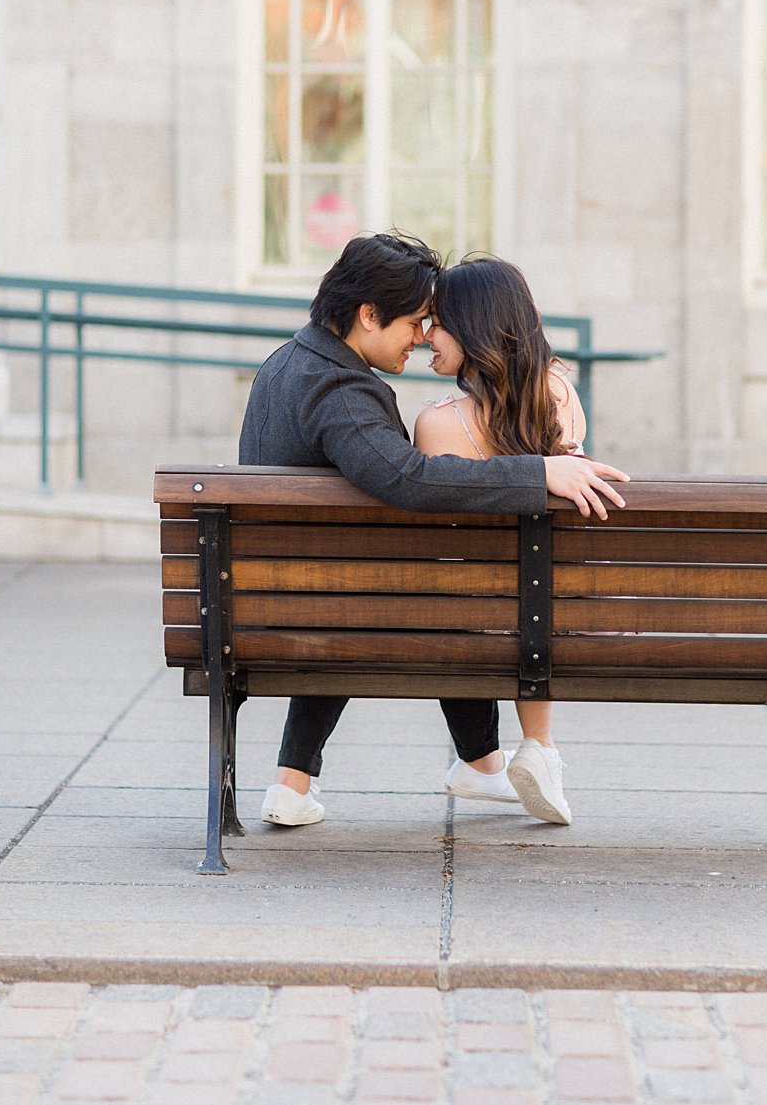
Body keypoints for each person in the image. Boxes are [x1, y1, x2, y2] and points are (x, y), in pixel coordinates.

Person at [240, 232, 630, 828]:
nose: (422, 337)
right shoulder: (340, 391)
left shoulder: (288, 363)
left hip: (279, 594)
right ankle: (480, 762)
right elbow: (411, 479)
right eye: (417, 321)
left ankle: (299, 783)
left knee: (426, 584)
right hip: (316, 602)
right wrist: (539, 470)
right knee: (451, 590)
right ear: (369, 315)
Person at [413, 255, 583, 825]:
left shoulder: (436, 423)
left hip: (465, 615)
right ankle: (542, 747)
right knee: (535, 590)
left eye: (436, 321)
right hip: (547, 612)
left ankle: (482, 762)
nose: (425, 335)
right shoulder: (558, 393)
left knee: (461, 595)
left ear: (472, 328)